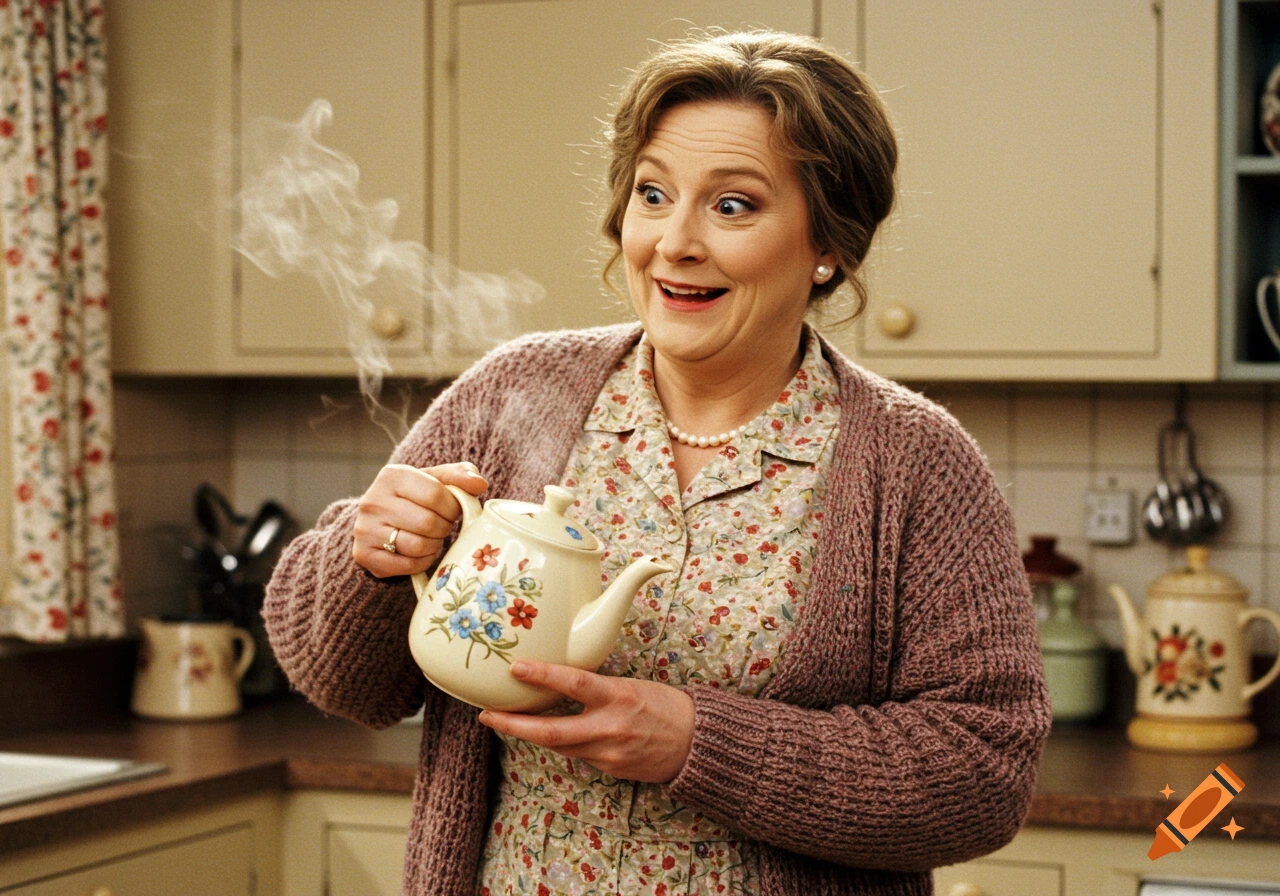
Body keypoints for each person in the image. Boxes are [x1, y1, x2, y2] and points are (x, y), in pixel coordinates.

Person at [264, 30, 1051, 896]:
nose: (674, 242)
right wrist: (366, 559)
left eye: (733, 206)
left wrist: (699, 743)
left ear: (832, 243)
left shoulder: (916, 463)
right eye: (653, 194)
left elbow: (984, 772)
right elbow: (345, 683)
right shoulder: (512, 392)